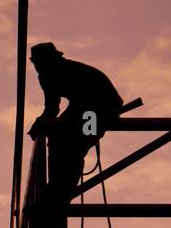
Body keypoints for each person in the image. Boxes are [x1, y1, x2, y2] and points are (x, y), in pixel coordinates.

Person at [28, 42, 125, 200]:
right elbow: (52, 108)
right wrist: (42, 123)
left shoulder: (62, 71)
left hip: (100, 109)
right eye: (36, 63)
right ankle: (58, 187)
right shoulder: (47, 75)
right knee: (60, 137)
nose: (38, 67)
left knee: (78, 142)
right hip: (85, 108)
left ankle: (62, 188)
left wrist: (50, 123)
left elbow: (75, 104)